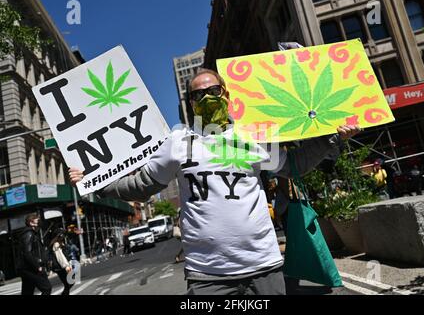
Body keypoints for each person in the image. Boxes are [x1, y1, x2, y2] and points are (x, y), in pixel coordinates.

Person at [69, 69, 360, 295]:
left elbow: (293, 165)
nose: (207, 97)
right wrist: (95, 182)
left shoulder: (251, 136)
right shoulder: (178, 141)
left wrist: (332, 138)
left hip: (263, 268)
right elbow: (142, 186)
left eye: (214, 90)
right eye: (198, 95)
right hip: (207, 277)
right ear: (190, 103)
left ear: (227, 94)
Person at [17, 213, 52, 295]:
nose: (39, 222)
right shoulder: (29, 234)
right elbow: (27, 252)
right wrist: (37, 266)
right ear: (31, 223)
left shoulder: (31, 233)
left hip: (27, 268)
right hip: (31, 268)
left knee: (27, 292)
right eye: (37, 220)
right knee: (47, 288)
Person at [49, 229, 74, 295]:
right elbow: (60, 257)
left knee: (68, 283)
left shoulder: (60, 243)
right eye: (62, 235)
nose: (64, 236)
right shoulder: (56, 244)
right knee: (69, 283)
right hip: (60, 267)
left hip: (61, 267)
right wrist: (66, 266)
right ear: (59, 235)